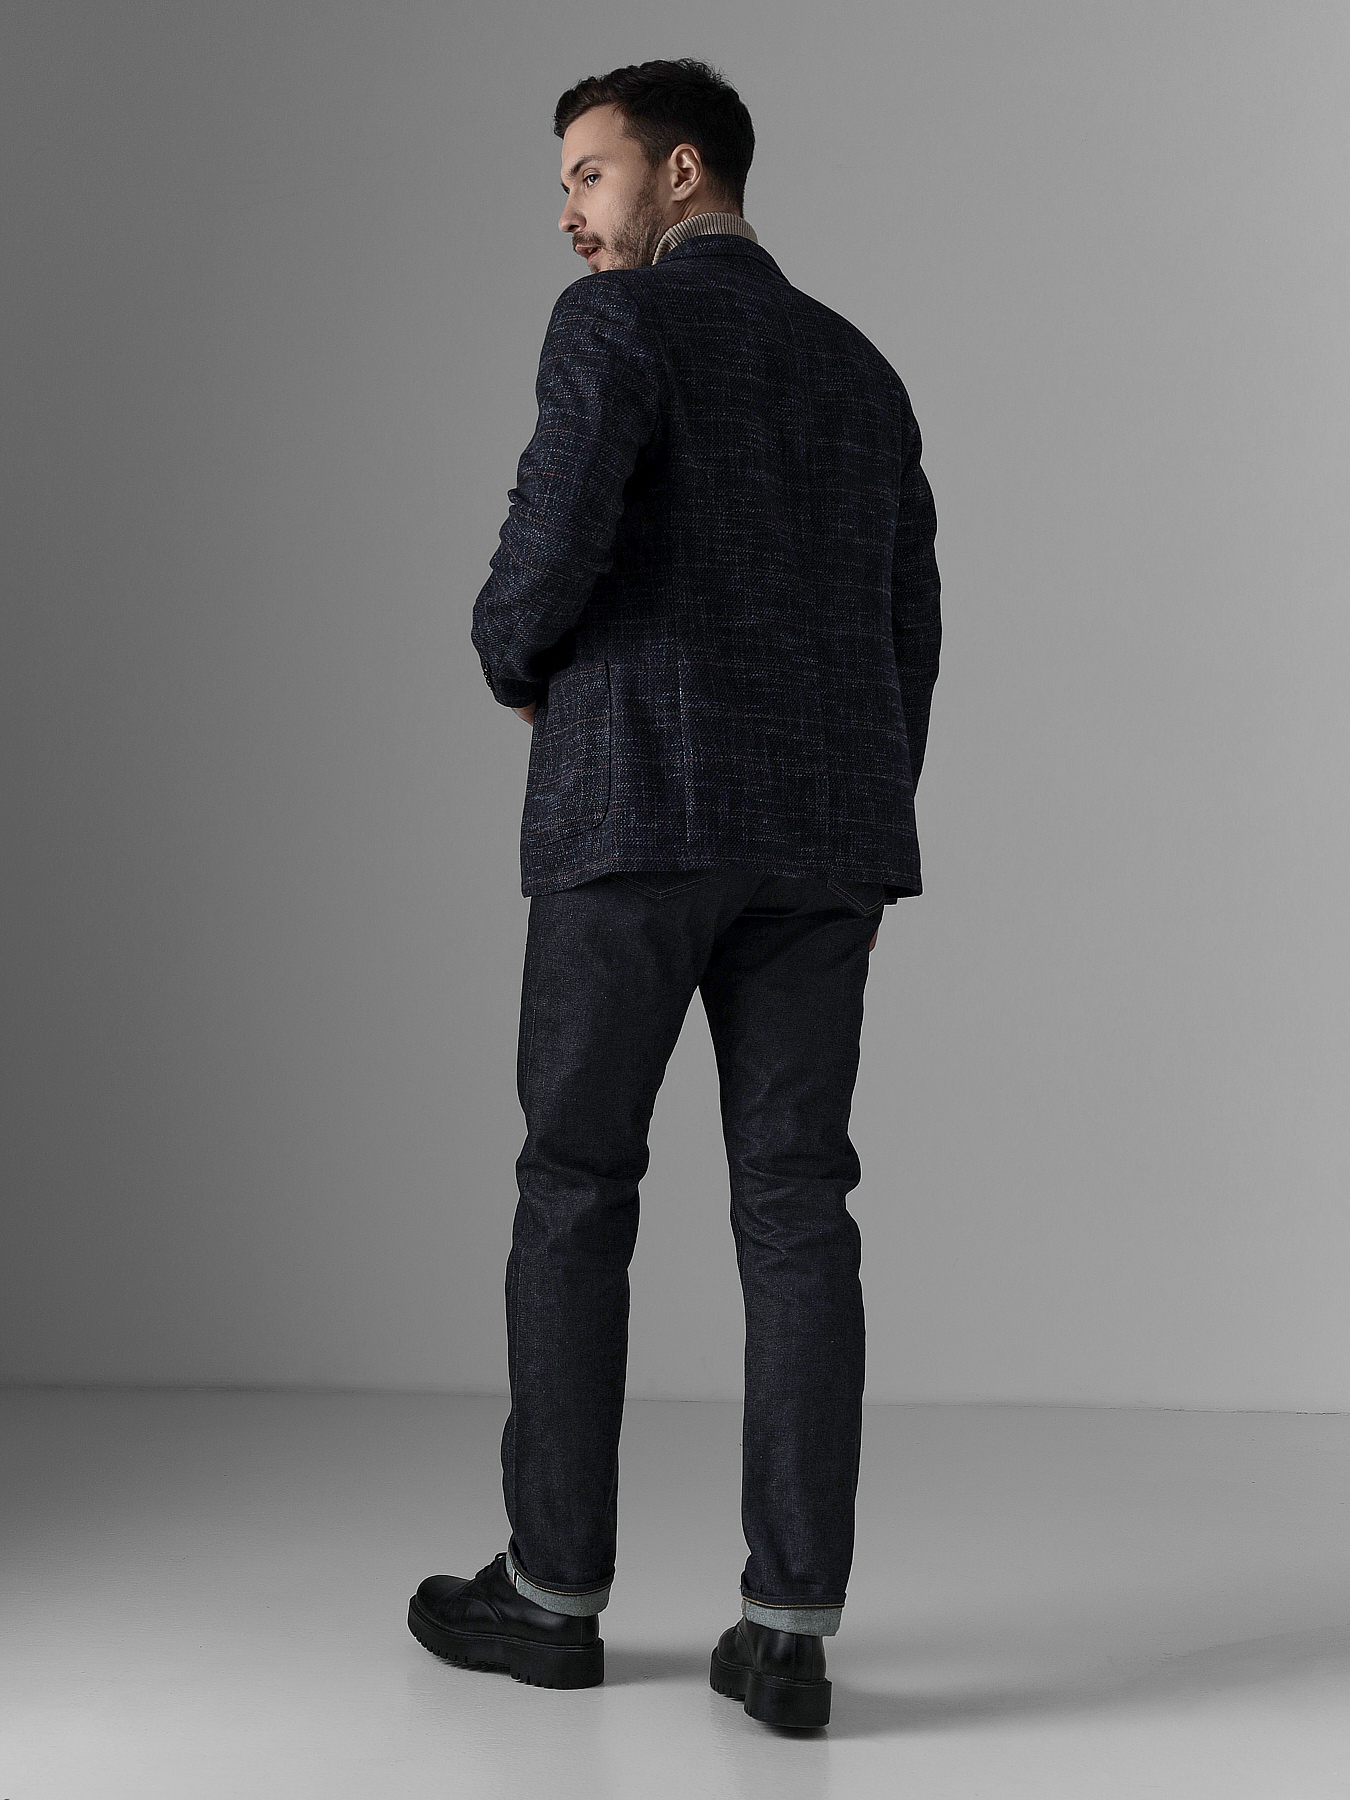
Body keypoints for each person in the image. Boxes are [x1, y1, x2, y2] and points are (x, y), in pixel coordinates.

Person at [407, 56, 941, 1731]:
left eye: (589, 173)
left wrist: (513, 656)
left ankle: (552, 1596)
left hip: (636, 810)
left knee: (575, 1185)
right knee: (798, 1205)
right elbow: (907, 619)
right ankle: (788, 1633)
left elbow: (552, 531)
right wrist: (859, 798)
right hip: (824, 837)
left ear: (683, 171)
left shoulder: (616, 325)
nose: (570, 212)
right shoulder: (857, 367)